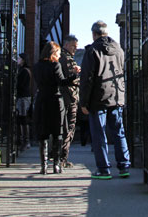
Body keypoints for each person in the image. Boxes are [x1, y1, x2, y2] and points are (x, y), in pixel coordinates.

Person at [79, 20, 131, 180]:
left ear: (94, 34)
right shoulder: (119, 50)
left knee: (99, 134)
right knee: (119, 132)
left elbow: (87, 78)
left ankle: (103, 169)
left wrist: (84, 102)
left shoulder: (92, 50)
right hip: (116, 95)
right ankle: (124, 166)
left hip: (98, 97)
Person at [33, 41, 79, 175]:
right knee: (57, 133)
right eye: (58, 53)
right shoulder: (55, 65)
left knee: (43, 134)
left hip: (42, 100)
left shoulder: (37, 67)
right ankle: (56, 165)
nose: (59, 56)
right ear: (53, 53)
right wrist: (75, 75)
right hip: (55, 100)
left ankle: (43, 166)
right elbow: (62, 82)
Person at [59, 35, 80, 168]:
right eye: (73, 46)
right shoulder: (66, 58)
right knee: (68, 128)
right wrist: (78, 74)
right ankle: (62, 157)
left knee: (62, 127)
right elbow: (71, 79)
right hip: (69, 97)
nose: (75, 49)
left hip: (63, 97)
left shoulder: (60, 57)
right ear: (66, 45)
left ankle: (58, 156)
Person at [16, 53, 32, 149]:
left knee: (23, 118)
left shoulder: (25, 71)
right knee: (21, 118)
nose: (18, 60)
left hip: (23, 97)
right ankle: (23, 139)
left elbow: (21, 85)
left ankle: (25, 140)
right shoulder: (23, 70)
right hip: (23, 96)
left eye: (19, 59)